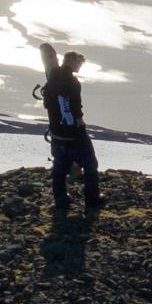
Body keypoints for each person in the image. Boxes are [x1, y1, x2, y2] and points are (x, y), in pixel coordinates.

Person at [38, 43, 100, 214]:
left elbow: (48, 103)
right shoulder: (72, 81)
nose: (80, 66)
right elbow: (75, 104)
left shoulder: (51, 79)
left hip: (57, 132)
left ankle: (61, 201)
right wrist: (79, 121)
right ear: (72, 62)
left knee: (59, 169)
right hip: (74, 133)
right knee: (90, 165)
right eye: (79, 63)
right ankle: (92, 200)